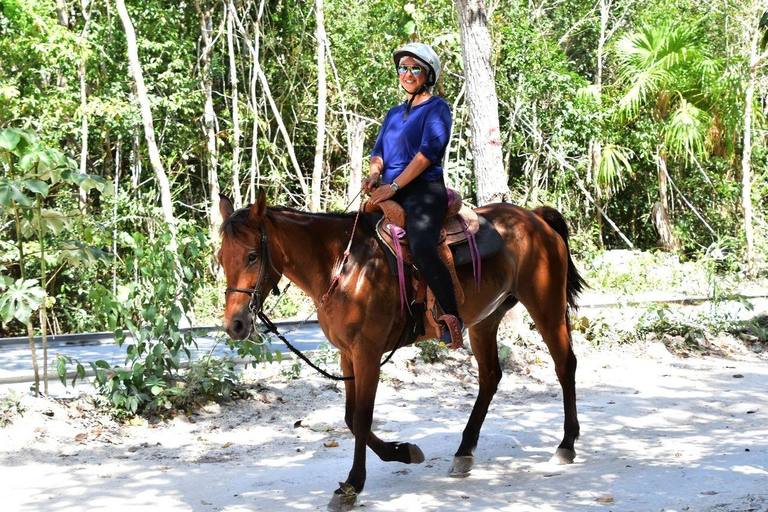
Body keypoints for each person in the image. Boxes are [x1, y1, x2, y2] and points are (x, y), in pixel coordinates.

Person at [361, 42, 463, 345]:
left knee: (421, 246)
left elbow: (427, 154)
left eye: (415, 68)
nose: (407, 73)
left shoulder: (437, 108)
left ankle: (452, 317)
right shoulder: (393, 113)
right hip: (388, 190)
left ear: (427, 74)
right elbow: (378, 152)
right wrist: (374, 174)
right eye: (403, 68)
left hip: (423, 191)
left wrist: (392, 187)